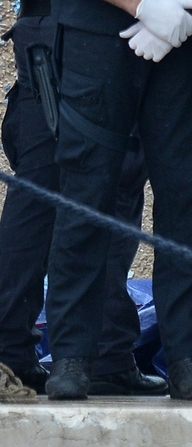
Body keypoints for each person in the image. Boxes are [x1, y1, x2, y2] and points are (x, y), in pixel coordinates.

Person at [43, 0, 192, 400]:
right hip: (97, 26)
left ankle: (188, 359)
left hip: (186, 30)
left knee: (189, 200)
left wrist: (187, 11)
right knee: (85, 198)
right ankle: (71, 358)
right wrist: (142, 5)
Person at [0, 0, 166, 396]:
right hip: (85, 29)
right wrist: (144, 6)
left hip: (68, 27)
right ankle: (86, 354)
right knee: (70, 191)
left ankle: (92, 354)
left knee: (71, 190)